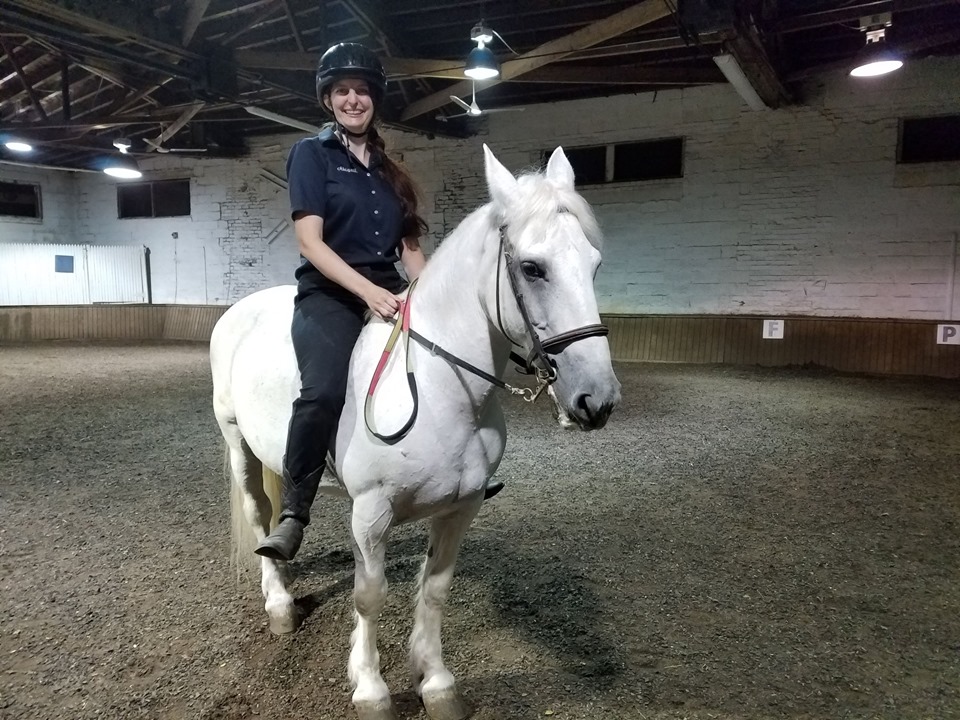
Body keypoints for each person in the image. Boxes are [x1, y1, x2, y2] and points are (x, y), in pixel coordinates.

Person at [254, 42, 428, 562]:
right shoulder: (311, 154)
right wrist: (369, 292)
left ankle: (448, 475)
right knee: (323, 391)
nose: (354, 99)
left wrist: (430, 296)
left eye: (362, 91)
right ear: (328, 99)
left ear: (375, 98)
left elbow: (411, 251)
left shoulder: (389, 170)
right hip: (330, 294)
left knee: (445, 363)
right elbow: (311, 242)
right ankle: (294, 512)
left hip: (388, 290)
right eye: (342, 91)